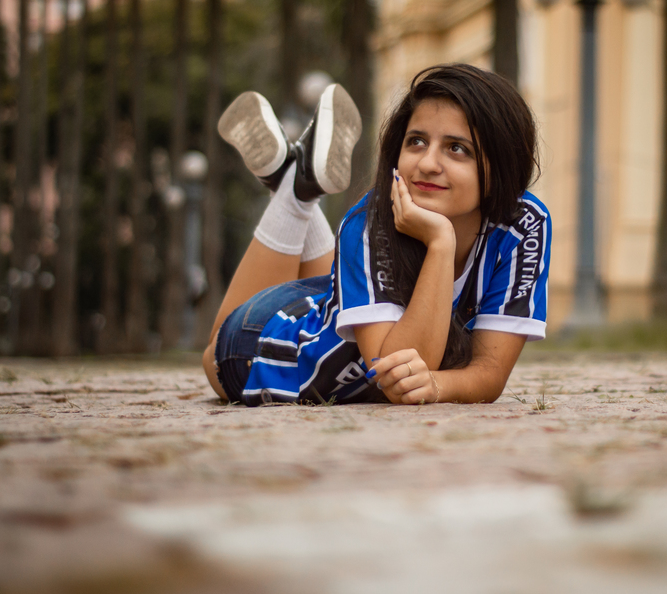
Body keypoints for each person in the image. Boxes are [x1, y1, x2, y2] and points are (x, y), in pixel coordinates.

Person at [202, 64, 550, 406]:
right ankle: (295, 192)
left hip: (325, 306)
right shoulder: (369, 221)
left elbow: (489, 372)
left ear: (502, 165)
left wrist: (436, 385)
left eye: (457, 148)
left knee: (342, 292)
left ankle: (295, 183)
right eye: (416, 141)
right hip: (260, 350)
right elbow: (395, 371)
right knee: (213, 353)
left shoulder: (524, 225)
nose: (427, 163)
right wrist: (441, 242)